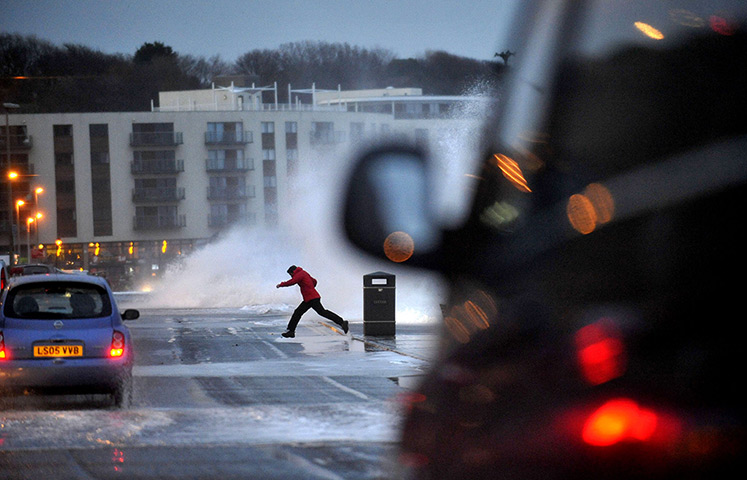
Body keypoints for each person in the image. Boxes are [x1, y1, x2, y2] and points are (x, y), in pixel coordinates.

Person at [276, 265, 348, 338]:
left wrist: (281, 284)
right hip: (310, 298)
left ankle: (342, 322)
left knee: (318, 312)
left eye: (290, 274)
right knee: (300, 312)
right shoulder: (303, 273)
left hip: (311, 298)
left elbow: (292, 282)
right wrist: (309, 287)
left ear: (293, 272)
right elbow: (314, 281)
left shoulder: (299, 274)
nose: (291, 276)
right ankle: (290, 331)